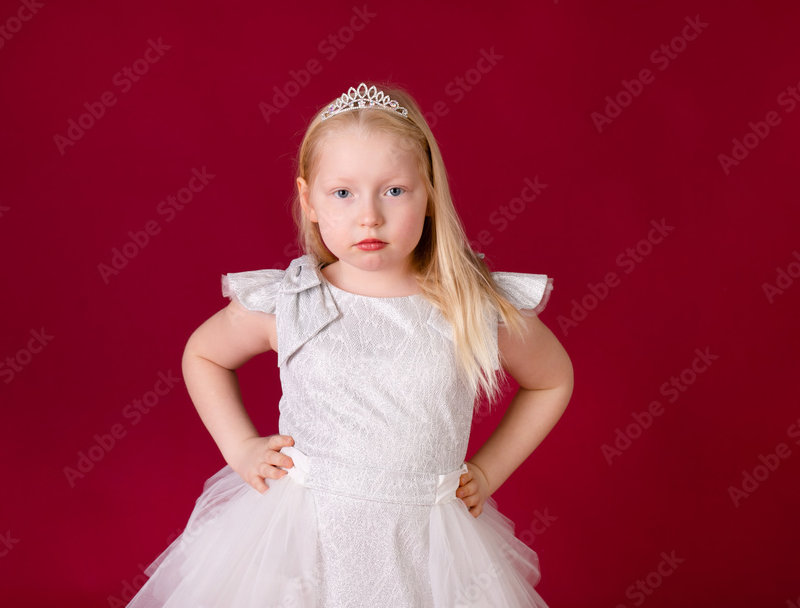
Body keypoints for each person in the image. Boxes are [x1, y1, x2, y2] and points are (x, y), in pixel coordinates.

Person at [127, 82, 574, 607]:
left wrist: (487, 471)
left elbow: (551, 378)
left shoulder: (469, 306)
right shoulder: (291, 300)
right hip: (301, 541)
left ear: (429, 194)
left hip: (423, 546)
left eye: (394, 191)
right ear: (308, 200)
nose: (370, 216)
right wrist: (241, 448)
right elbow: (203, 354)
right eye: (343, 193)